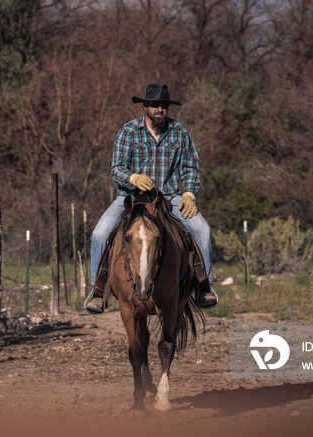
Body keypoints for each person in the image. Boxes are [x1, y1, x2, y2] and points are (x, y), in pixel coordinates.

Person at [84, 83, 219, 313]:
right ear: (145, 105)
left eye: (164, 105)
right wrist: (133, 178)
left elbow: (191, 167)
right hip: (131, 198)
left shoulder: (180, 132)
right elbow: (116, 168)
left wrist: (189, 193)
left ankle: (204, 286)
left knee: (202, 230)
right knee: (99, 234)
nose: (160, 109)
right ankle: (98, 291)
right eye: (155, 104)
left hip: (171, 197)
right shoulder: (128, 132)